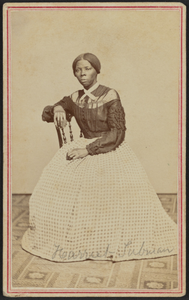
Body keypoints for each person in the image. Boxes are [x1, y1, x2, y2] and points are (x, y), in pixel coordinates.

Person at [22, 53, 177, 262]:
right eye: (78, 70)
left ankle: (105, 240)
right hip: (81, 145)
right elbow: (54, 109)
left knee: (107, 191)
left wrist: (88, 150)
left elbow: (118, 132)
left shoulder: (110, 95)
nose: (82, 73)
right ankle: (77, 239)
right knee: (52, 187)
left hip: (108, 149)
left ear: (96, 70)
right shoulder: (75, 97)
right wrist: (58, 108)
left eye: (87, 68)